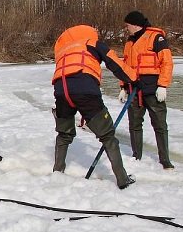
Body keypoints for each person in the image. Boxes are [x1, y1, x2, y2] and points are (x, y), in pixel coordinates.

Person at [52, 25, 137, 189]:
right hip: (85, 91)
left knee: (63, 134)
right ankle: (122, 179)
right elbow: (115, 63)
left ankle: (57, 172)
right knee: (108, 137)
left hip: (61, 92)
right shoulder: (92, 43)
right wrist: (133, 78)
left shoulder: (65, 49)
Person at [118, 11, 175, 169]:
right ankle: (136, 156)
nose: (126, 28)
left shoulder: (156, 38)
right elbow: (125, 66)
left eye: (127, 25)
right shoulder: (129, 42)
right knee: (134, 124)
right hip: (134, 90)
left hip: (153, 90)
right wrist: (123, 86)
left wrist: (163, 85)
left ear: (135, 25)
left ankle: (165, 160)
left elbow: (167, 63)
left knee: (160, 125)